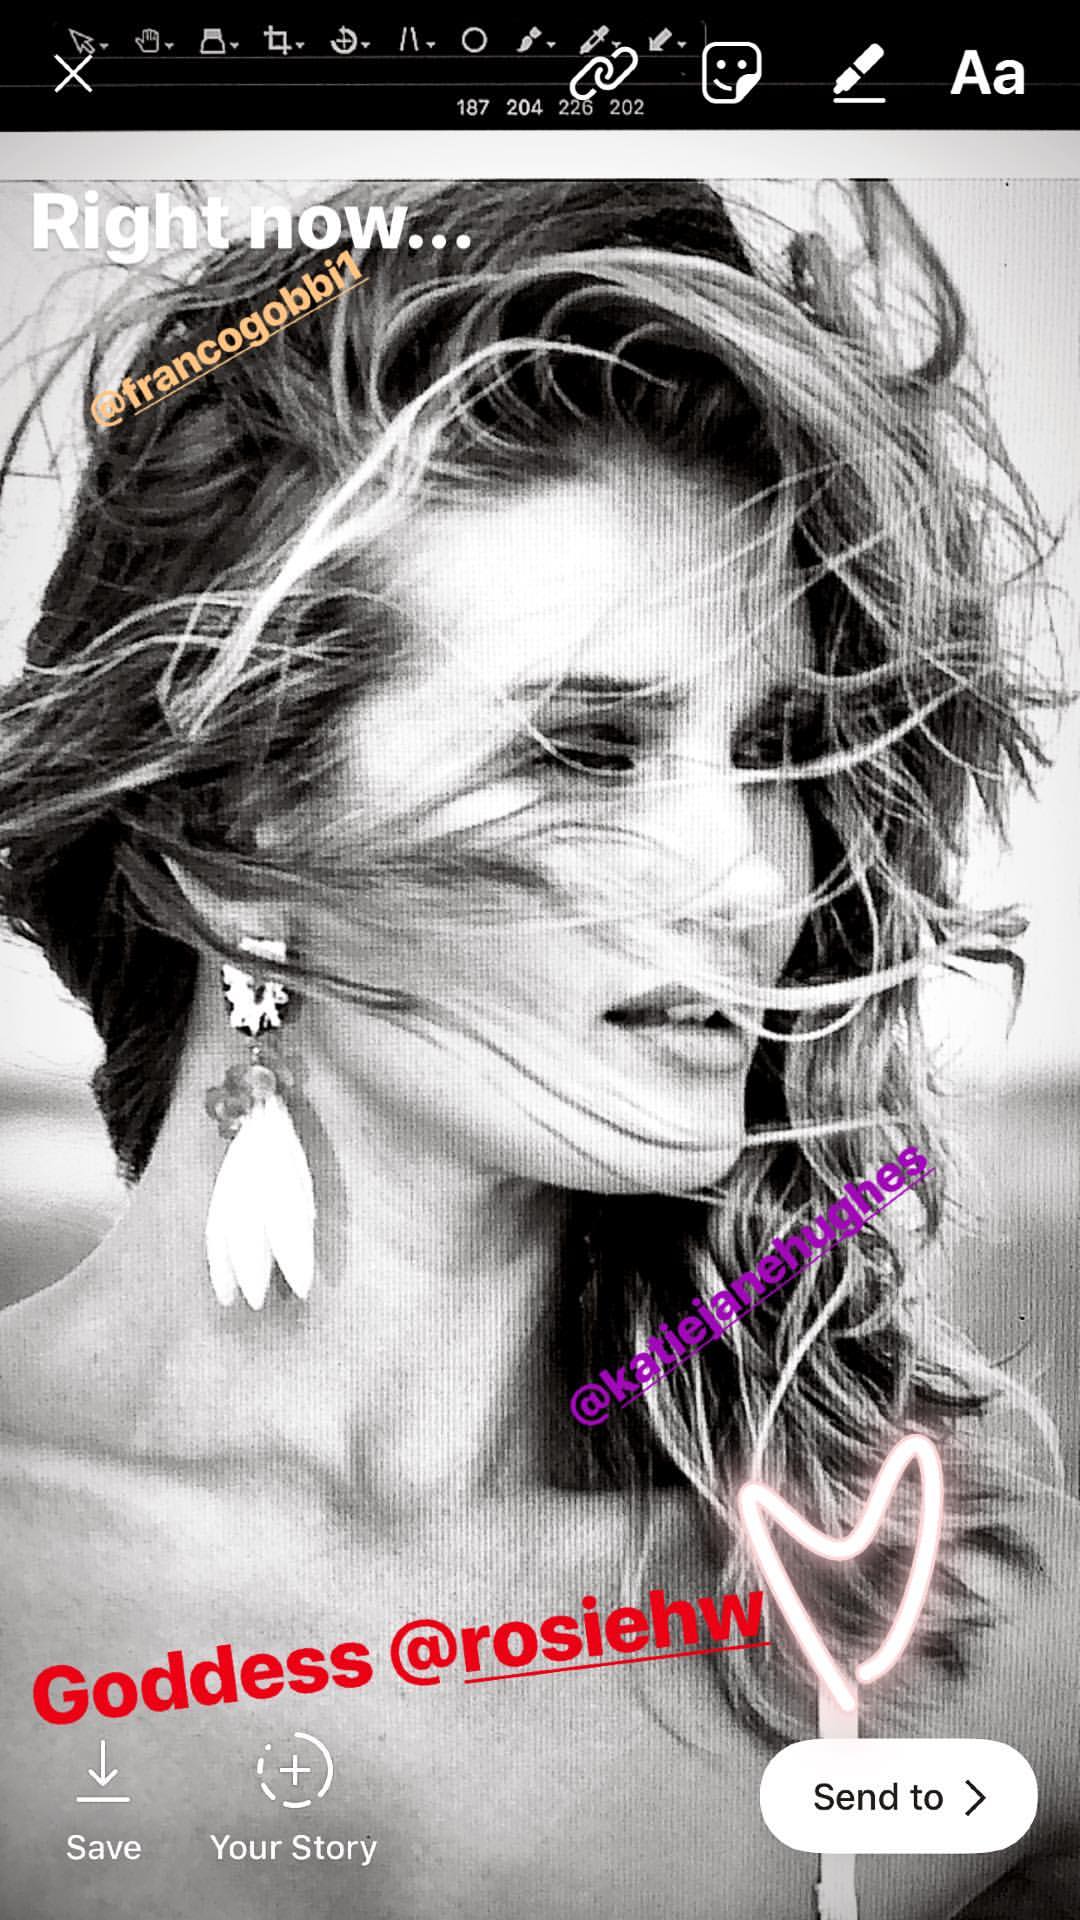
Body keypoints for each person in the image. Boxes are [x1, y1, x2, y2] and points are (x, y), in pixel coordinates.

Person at [0, 177, 1076, 1918]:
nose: (754, 877)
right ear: (224, 838)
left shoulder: (935, 1592)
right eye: (585, 751)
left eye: (774, 750)